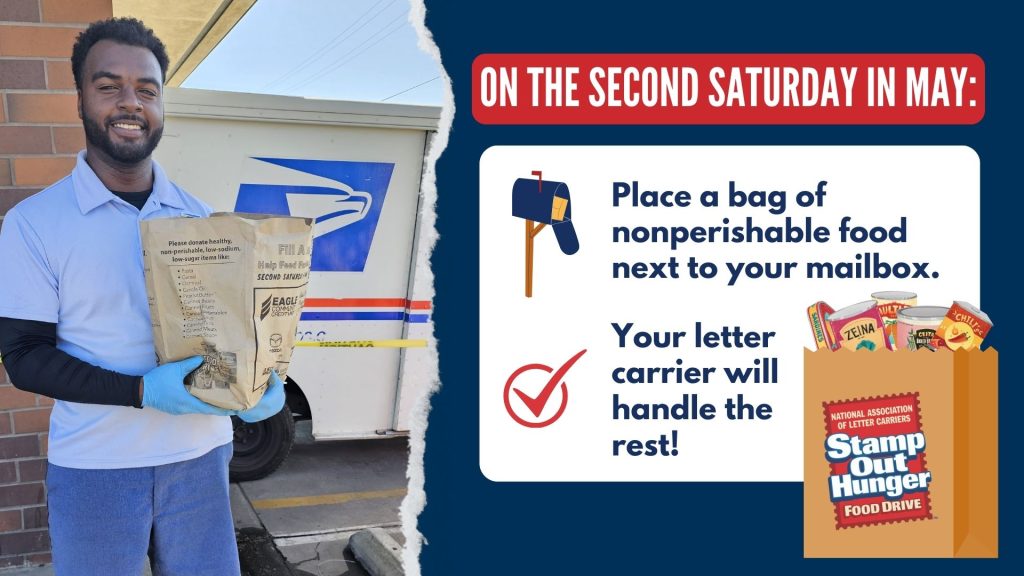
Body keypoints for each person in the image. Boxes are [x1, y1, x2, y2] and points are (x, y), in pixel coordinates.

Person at [0, 17, 284, 576]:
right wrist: (140, 391)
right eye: (109, 87)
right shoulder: (33, 224)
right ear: (80, 97)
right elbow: (25, 360)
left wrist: (260, 375)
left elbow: (231, 330)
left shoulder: (202, 217)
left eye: (147, 90)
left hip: (201, 455)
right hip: (96, 464)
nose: (130, 103)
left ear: (161, 106)